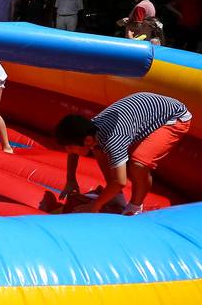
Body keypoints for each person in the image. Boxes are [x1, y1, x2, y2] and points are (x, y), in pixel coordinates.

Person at [55, 92, 192, 216]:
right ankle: (116, 197)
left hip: (174, 117)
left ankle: (135, 207)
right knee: (98, 149)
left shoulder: (113, 138)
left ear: (87, 139)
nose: (69, 151)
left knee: (138, 164)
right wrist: (71, 179)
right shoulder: (90, 130)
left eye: (70, 147)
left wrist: (95, 206)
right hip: (148, 112)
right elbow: (75, 148)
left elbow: (120, 181)